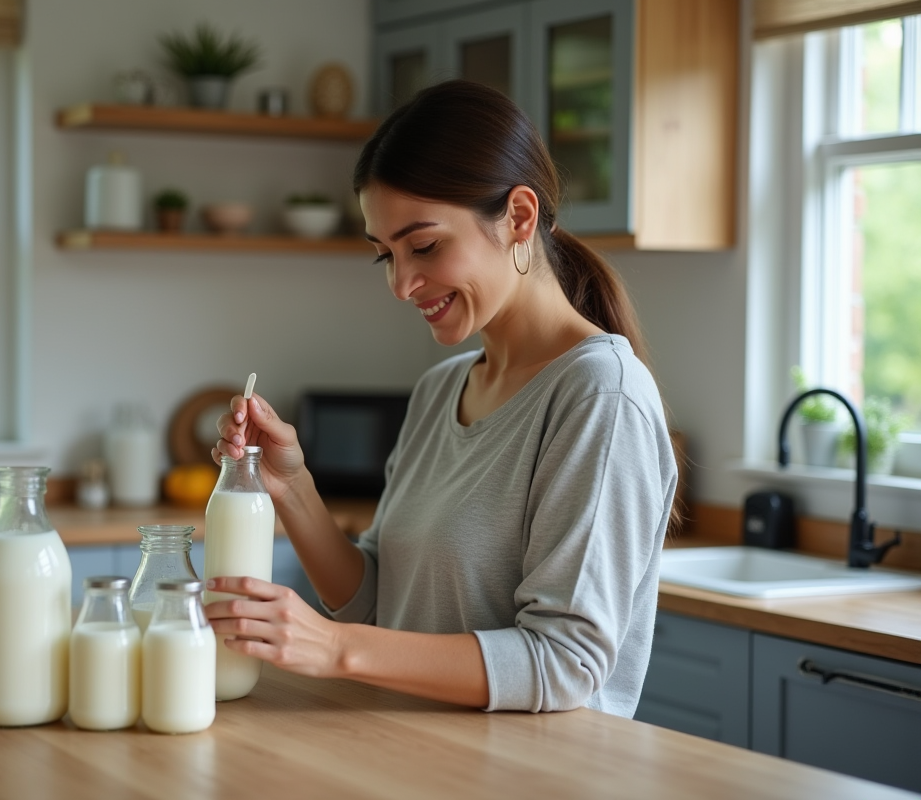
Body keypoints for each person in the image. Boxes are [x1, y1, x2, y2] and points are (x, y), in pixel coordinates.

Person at [207, 80, 678, 716]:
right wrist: (290, 486)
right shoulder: (440, 390)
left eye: (424, 246)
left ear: (519, 217)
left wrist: (337, 649)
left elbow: (566, 662)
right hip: (409, 752)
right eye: (386, 256)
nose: (402, 284)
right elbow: (379, 604)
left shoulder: (600, 396)